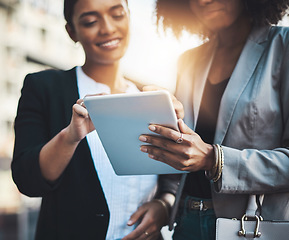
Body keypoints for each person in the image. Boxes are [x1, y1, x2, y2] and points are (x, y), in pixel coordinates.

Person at [11, 0, 181, 239]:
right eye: (91, 21)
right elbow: (27, 180)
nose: (107, 28)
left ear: (129, 17)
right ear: (72, 32)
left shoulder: (152, 95)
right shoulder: (44, 88)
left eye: (117, 14)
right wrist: (70, 136)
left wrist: (164, 206)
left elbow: (173, 178)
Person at [137, 0, 289, 239]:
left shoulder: (283, 47)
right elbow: (178, 161)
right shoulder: (188, 61)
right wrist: (165, 204)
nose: (203, 0)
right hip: (186, 223)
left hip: (249, 229)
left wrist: (214, 159)